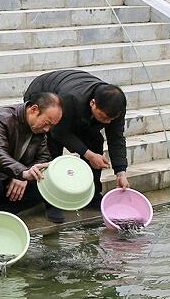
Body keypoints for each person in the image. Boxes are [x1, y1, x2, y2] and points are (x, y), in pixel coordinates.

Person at [24, 70, 129, 223]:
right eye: (104, 117)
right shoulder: (70, 98)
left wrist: (121, 172)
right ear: (93, 103)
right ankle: (51, 201)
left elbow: (116, 137)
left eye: (111, 119)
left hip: (75, 104)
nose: (107, 123)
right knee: (51, 145)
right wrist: (89, 155)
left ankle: (93, 195)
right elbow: (59, 132)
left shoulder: (116, 107)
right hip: (43, 91)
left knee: (95, 141)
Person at [0, 92, 63, 217]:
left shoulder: (39, 130)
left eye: (51, 126)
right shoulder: (1, 119)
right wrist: (22, 172)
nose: (47, 129)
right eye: (46, 123)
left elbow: (44, 157)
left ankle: (1, 214)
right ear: (34, 110)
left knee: (43, 182)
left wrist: (25, 174)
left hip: (11, 176)